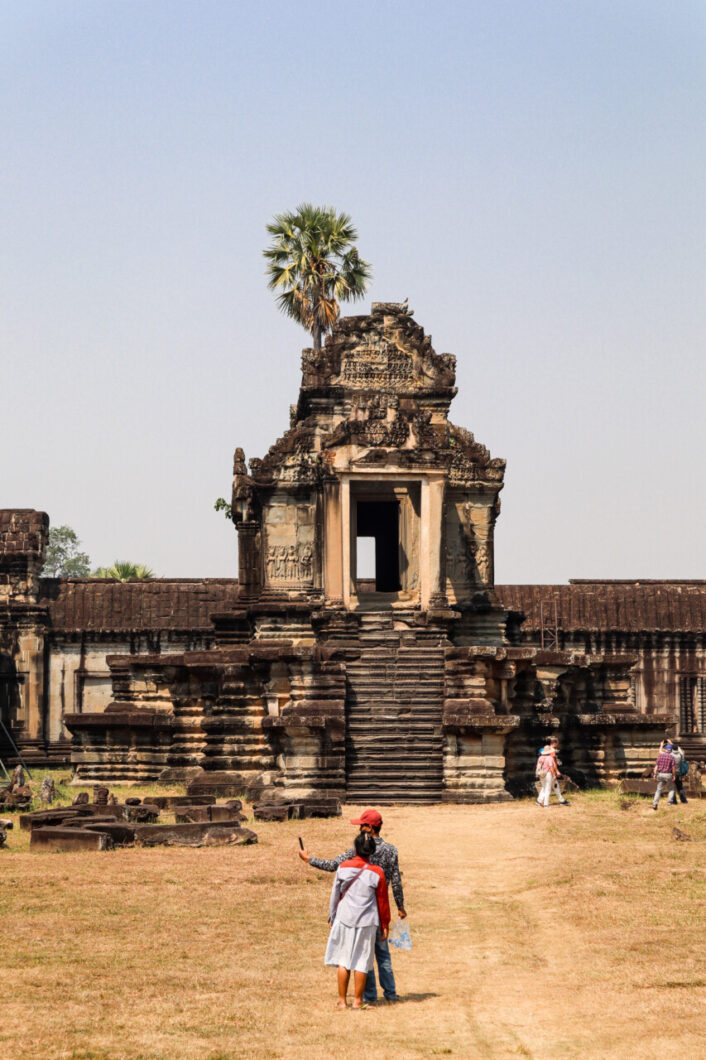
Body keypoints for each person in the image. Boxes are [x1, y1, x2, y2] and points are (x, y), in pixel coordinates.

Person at [300, 808, 406, 1004]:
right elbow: (396, 881)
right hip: (377, 911)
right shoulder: (391, 850)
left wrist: (309, 860)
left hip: (359, 912)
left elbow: (333, 865)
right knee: (382, 955)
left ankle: (369, 995)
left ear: (371, 828)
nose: (359, 828)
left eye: (362, 825)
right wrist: (400, 906)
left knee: (362, 955)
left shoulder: (358, 848)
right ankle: (390, 993)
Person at [324, 831, 390, 1010]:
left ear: (355, 848)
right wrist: (385, 923)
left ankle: (342, 1001)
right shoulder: (377, 872)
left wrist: (332, 915)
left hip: (344, 917)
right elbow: (383, 901)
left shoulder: (343, 867)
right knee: (362, 961)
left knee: (343, 960)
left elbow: (335, 895)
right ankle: (358, 1001)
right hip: (367, 921)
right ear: (372, 851)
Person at [535, 737, 569, 807]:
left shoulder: (540, 757)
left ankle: (540, 800)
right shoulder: (551, 755)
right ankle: (546, 804)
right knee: (548, 788)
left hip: (541, 774)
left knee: (549, 787)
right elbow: (552, 765)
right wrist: (556, 773)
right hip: (549, 773)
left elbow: (538, 766)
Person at [652, 741, 676, 810]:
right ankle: (669, 802)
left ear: (665, 749)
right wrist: (674, 776)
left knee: (658, 790)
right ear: (670, 750)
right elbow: (673, 768)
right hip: (668, 774)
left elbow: (656, 766)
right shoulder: (672, 757)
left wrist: (655, 774)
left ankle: (655, 804)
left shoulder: (660, 755)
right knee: (671, 788)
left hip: (660, 774)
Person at [667, 739, 688, 805]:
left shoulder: (670, 755)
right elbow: (680, 750)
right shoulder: (680, 755)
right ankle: (684, 800)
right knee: (680, 787)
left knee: (672, 787)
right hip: (678, 773)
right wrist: (672, 743)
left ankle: (674, 801)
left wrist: (668, 744)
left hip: (671, 773)